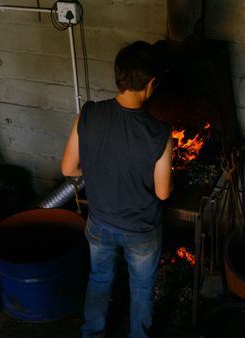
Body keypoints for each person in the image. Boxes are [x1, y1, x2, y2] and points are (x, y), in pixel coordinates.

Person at [61, 40, 174, 338]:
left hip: (99, 223)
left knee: (99, 279)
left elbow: (68, 169)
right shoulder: (160, 133)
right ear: (151, 84)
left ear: (119, 77)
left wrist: (99, 168)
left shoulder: (87, 114)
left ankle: (92, 334)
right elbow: (163, 193)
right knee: (141, 289)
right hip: (141, 229)